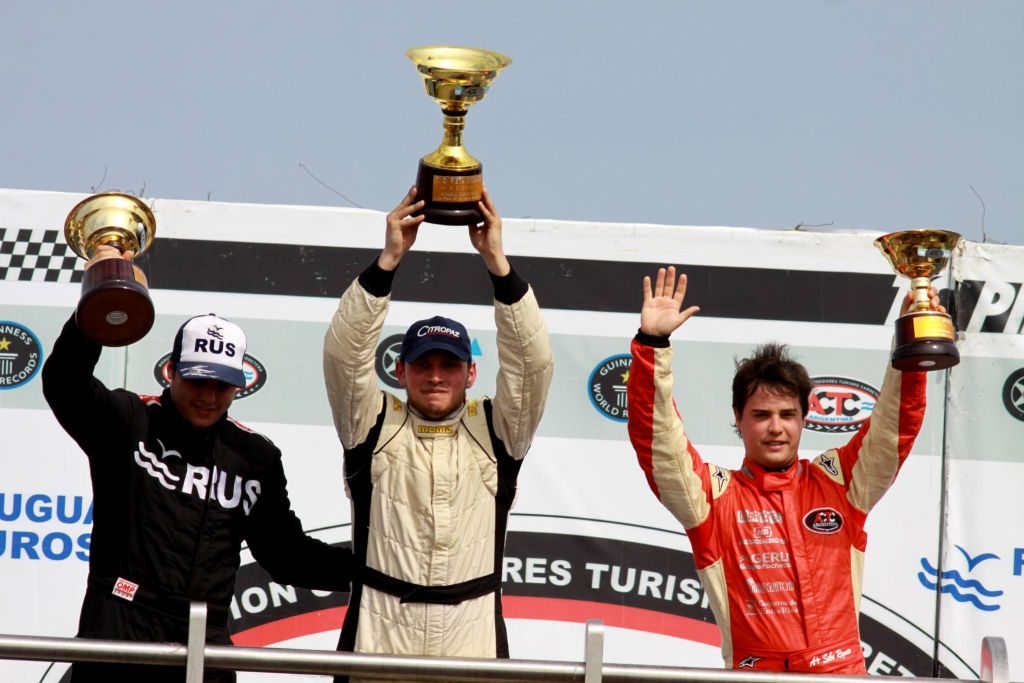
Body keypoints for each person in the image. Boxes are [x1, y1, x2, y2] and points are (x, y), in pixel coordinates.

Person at [42, 245, 353, 683]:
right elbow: (64, 383)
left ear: (239, 385)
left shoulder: (255, 457)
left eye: (222, 385)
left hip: (206, 637)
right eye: (198, 380)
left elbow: (286, 556)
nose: (208, 396)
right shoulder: (129, 420)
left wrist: (372, 569)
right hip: (120, 620)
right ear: (172, 371)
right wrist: (103, 295)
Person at [626, 266, 934, 674]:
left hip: (841, 676)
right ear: (738, 418)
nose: (776, 427)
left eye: (788, 414)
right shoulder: (713, 498)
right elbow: (658, 443)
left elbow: (895, 425)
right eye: (761, 415)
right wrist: (652, 345)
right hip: (756, 676)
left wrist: (911, 340)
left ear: (805, 418)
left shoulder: (841, 482)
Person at [322, 187, 553, 680]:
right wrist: (388, 259)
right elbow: (344, 356)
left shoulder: (496, 428)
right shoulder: (372, 423)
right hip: (380, 637)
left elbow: (531, 364)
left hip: (472, 641)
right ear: (399, 370)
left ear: (471, 374)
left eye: (449, 365)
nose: (435, 376)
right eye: (422, 364)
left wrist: (498, 264)